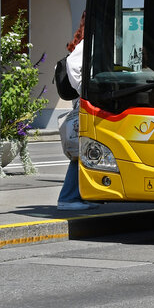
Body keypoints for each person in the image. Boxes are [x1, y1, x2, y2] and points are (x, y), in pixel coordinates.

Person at [58, 15, 97, 211]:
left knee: (85, 151)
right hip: (85, 103)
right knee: (81, 151)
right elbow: (73, 64)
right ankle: (68, 197)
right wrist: (84, 89)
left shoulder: (88, 40)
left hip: (84, 102)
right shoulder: (88, 42)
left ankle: (77, 195)